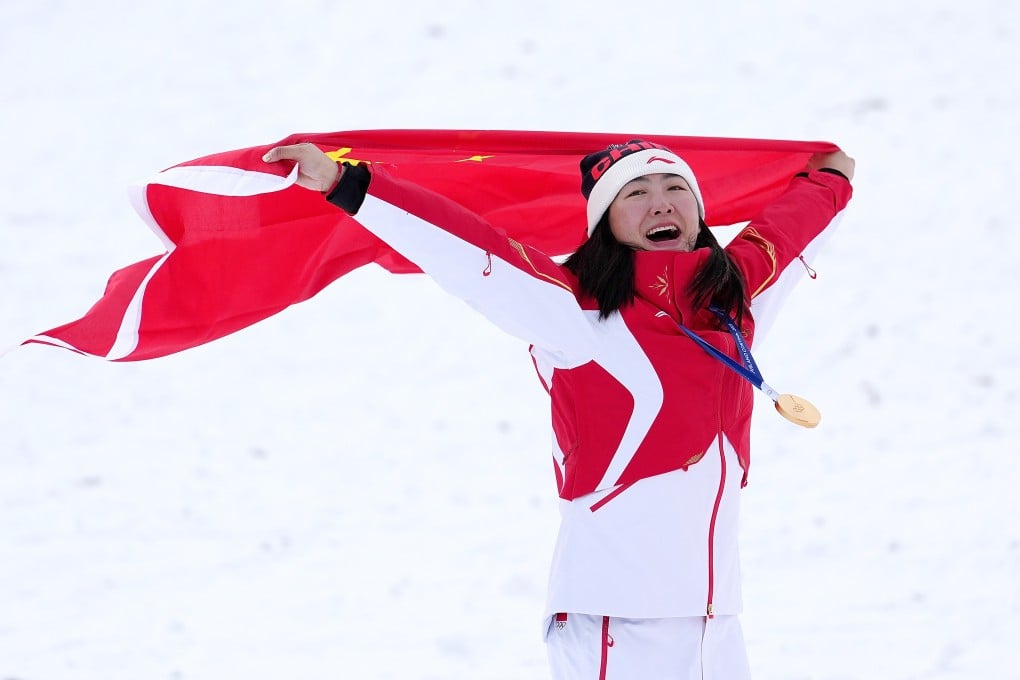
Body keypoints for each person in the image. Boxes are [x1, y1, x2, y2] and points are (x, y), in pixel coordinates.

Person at [262, 138, 854, 679]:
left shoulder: (734, 302)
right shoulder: (575, 312)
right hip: (615, 622)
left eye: (676, 189)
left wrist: (833, 181)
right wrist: (345, 183)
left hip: (716, 623)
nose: (662, 204)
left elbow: (789, 230)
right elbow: (472, 251)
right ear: (605, 223)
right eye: (637, 194)